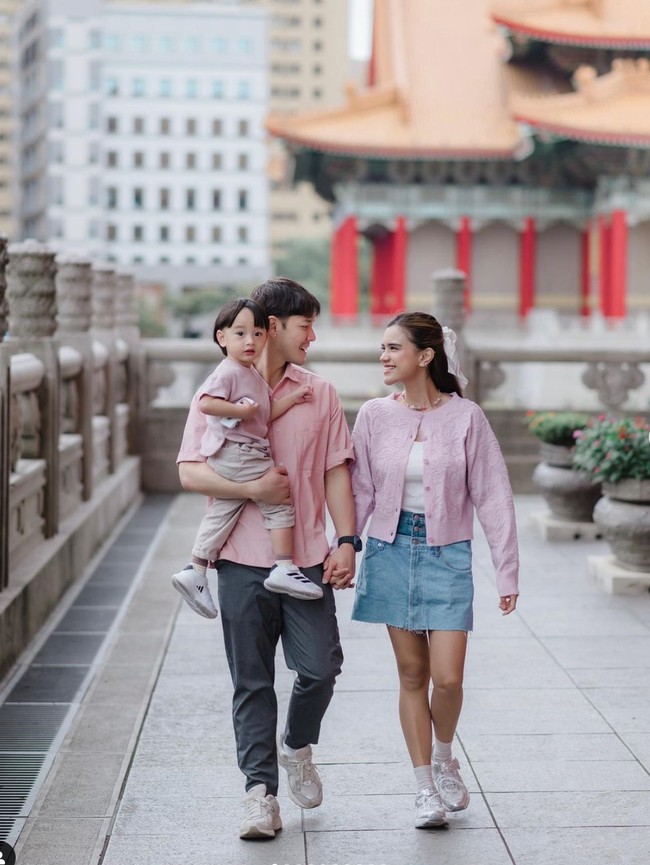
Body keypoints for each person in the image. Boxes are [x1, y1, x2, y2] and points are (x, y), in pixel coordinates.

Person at [176, 278, 359, 840]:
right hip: (238, 560)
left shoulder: (319, 392)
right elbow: (189, 472)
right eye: (306, 325)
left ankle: (296, 747)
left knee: (320, 668)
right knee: (251, 682)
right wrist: (254, 489)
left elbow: (335, 470)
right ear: (273, 326)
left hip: (304, 558)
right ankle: (260, 795)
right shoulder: (219, 385)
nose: (312, 336)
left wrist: (347, 540)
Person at [349, 311, 519, 830]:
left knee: (447, 678)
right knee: (411, 674)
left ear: (425, 356)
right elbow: (360, 490)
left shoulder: (467, 417)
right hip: (390, 550)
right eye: (382, 347)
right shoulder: (374, 414)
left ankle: (445, 756)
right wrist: (343, 545)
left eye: (393, 348)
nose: (383, 356)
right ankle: (424, 786)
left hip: (447, 554)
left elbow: (494, 495)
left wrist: (507, 571)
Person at [171, 297, 321, 619]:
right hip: (241, 452)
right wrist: (238, 411)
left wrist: (293, 398)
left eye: (257, 334)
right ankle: (284, 566)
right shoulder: (228, 371)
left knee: (222, 512)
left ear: (267, 335)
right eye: (240, 334)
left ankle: (195, 569)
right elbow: (207, 403)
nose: (250, 341)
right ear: (222, 337)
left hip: (237, 454)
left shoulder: (249, 374)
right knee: (279, 499)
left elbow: (264, 413)